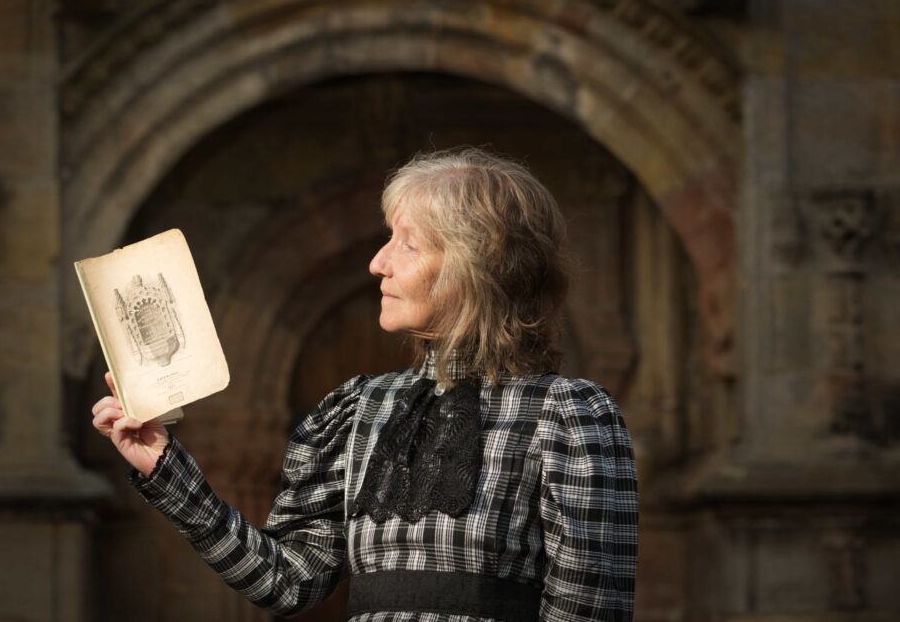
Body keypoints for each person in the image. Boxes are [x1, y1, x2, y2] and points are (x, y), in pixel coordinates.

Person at [92, 147, 638, 621]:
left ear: (475, 266)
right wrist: (165, 468)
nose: (378, 263)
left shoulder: (569, 416)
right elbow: (286, 581)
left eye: (408, 244)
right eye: (387, 240)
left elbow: (588, 611)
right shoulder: (360, 408)